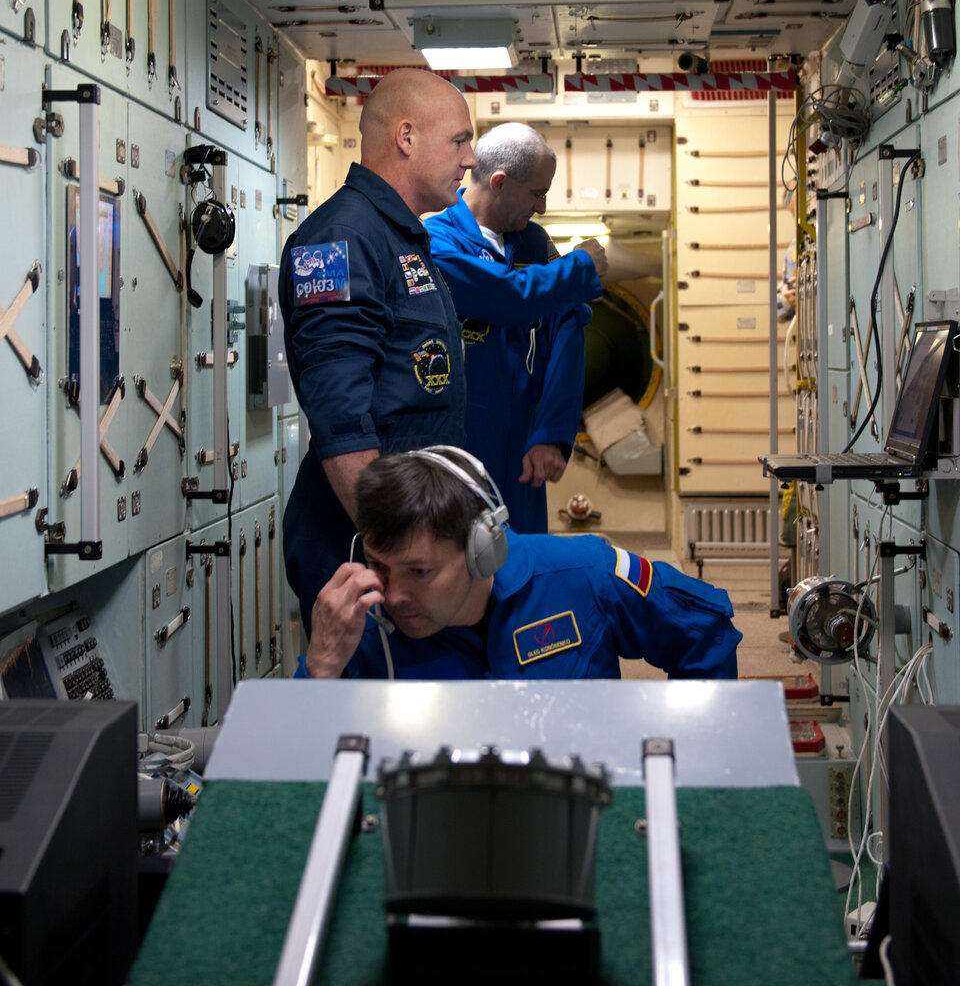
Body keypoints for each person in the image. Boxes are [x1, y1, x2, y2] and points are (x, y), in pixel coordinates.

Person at [280, 69, 478, 628]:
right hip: (364, 546)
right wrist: (396, 556)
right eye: (459, 140)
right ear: (407, 137)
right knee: (366, 711)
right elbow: (341, 418)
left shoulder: (399, 237)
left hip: (405, 535)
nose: (470, 160)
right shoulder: (340, 239)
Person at [301, 448, 742, 680]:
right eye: (380, 566)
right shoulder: (361, 627)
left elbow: (706, 634)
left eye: (419, 571)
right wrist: (320, 667)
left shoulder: (585, 574)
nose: (392, 596)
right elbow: (290, 775)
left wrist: (684, 765)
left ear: (482, 550)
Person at [426, 123, 606, 533]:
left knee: (524, 567)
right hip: (462, 445)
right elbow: (507, 298)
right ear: (500, 183)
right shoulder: (438, 243)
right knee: (461, 564)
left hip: (524, 442)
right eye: (537, 193)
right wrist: (578, 267)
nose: (541, 207)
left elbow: (568, 325)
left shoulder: (535, 244)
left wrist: (553, 432)